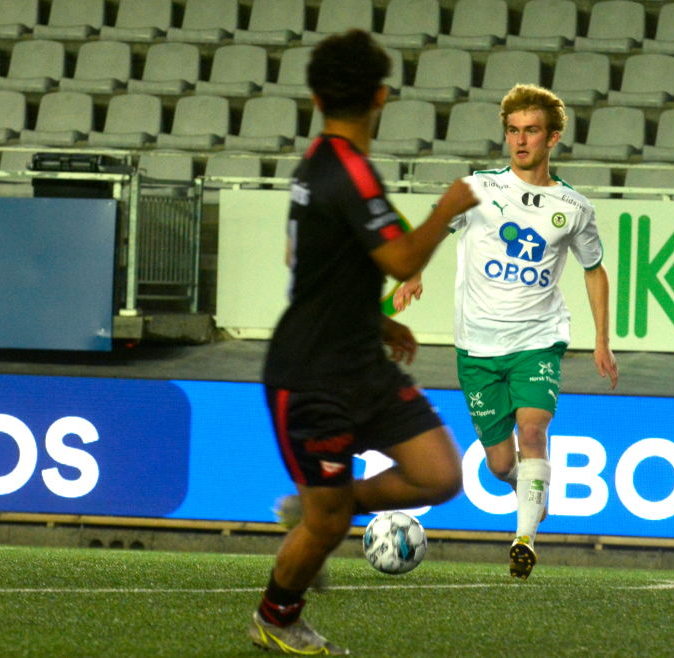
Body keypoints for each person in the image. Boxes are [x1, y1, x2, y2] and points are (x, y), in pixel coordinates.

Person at [251, 30, 478, 655]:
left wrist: (374, 322)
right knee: (328, 525)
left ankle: (315, 507)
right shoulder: (348, 172)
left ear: (316, 98)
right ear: (381, 96)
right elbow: (402, 260)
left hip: (359, 362)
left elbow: (311, 264)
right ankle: (276, 617)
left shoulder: (318, 164)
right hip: (312, 376)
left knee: (439, 474)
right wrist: (448, 209)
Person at [395, 84, 619, 580]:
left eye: (531, 131)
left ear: (552, 138)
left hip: (537, 340)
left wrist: (602, 339)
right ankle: (531, 490)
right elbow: (435, 227)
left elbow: (594, 269)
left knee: (533, 431)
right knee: (500, 465)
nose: (520, 140)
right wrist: (413, 273)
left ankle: (524, 540)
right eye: (513, 131)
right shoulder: (476, 189)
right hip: (476, 346)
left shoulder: (574, 208)